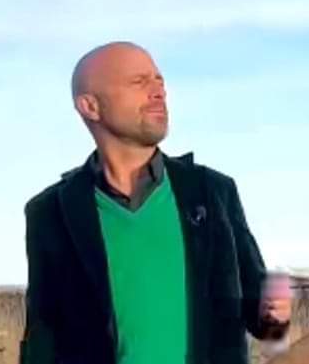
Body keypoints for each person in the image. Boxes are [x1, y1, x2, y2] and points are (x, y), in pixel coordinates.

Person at [20, 41, 292, 364]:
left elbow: (264, 320)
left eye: (159, 81)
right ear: (90, 106)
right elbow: (42, 335)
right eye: (139, 82)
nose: (159, 92)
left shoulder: (212, 191)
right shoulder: (50, 211)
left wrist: (275, 315)